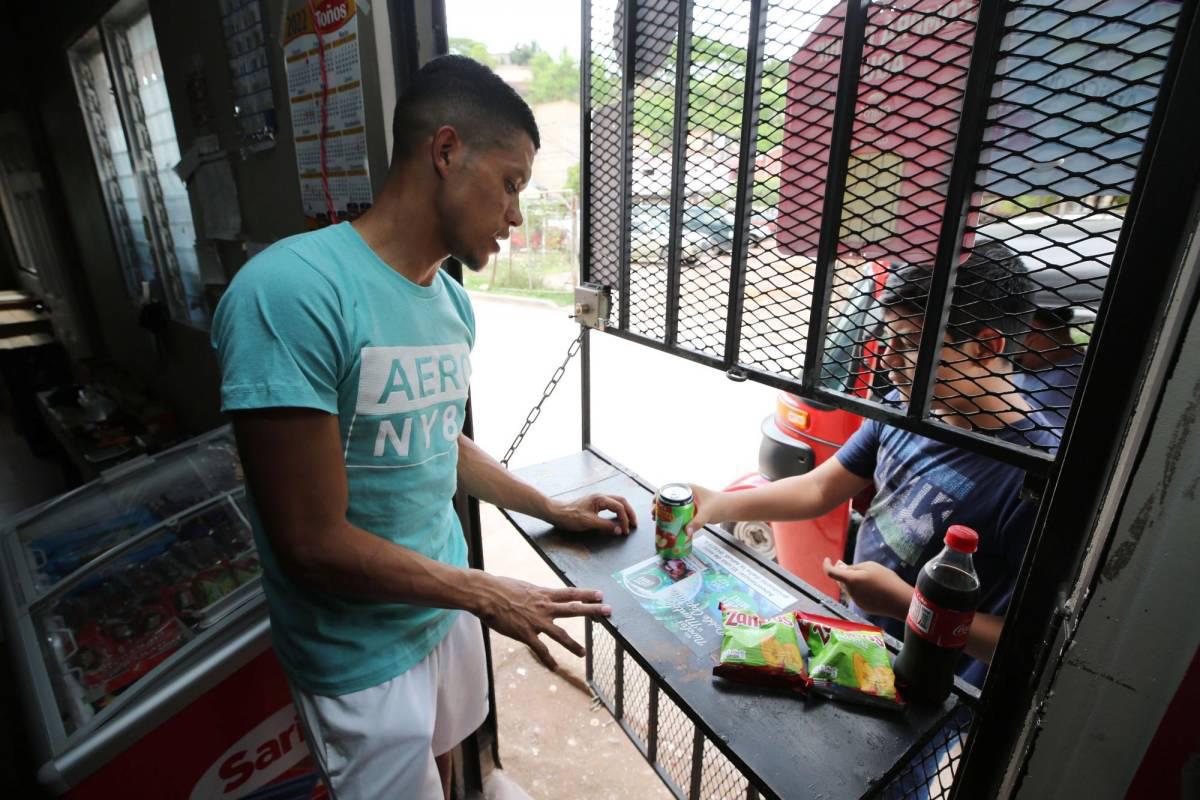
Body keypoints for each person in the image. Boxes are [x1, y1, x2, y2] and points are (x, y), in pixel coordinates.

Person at [211, 56, 637, 800]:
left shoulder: (450, 303)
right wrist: (488, 592)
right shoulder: (291, 293)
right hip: (358, 652)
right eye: (510, 184)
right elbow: (311, 544)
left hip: (439, 612)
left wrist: (550, 507)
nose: (514, 216)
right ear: (445, 152)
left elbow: (437, 438)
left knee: (446, 769)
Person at [684, 240, 1056, 687]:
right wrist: (720, 504)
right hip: (856, 639)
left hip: (925, 685)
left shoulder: (1033, 476)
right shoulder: (903, 407)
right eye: (887, 337)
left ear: (985, 345)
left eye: (911, 342)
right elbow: (821, 488)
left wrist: (906, 604)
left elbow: (1021, 642)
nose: (886, 359)